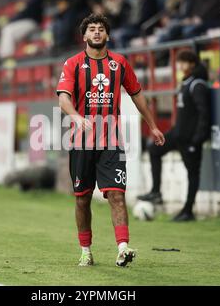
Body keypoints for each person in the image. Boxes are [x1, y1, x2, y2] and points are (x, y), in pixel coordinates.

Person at [57, 14, 165, 267]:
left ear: (107, 35)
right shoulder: (72, 64)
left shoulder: (120, 63)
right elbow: (63, 98)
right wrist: (75, 116)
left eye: (101, 29)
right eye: (92, 29)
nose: (96, 33)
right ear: (84, 36)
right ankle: (86, 250)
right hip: (81, 142)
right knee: (82, 198)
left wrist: (153, 125)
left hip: (111, 141)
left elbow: (138, 95)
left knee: (117, 195)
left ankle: (123, 248)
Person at [138, 50, 211, 222]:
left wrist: (197, 139)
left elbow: (204, 114)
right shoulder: (186, 83)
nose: (180, 66)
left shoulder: (197, 85)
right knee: (153, 149)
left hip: (190, 139)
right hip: (178, 134)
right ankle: (156, 191)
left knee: (192, 173)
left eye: (184, 62)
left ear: (192, 64)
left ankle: (188, 210)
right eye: (179, 62)